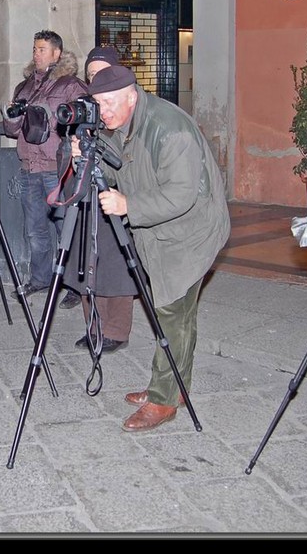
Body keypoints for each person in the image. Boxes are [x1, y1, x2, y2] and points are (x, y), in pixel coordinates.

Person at [82, 65, 230, 431]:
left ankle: (164, 400)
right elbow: (119, 169)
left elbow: (180, 195)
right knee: (177, 312)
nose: (104, 113)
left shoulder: (169, 129)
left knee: (172, 312)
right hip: (162, 234)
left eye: (109, 103)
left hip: (190, 234)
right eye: (97, 104)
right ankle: (174, 386)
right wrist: (88, 156)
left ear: (131, 96)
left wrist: (128, 205)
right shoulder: (124, 124)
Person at [2, 30, 86, 309]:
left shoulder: (70, 85)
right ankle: (41, 279)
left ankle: (75, 284)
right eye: (34, 49)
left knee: (67, 227)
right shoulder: (24, 86)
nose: (36, 54)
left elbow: (85, 118)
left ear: (56, 53)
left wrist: (55, 122)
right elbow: (12, 131)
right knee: (35, 229)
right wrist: (13, 116)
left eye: (41, 49)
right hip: (29, 167)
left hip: (56, 168)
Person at [68, 46, 138, 353]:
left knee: (116, 267)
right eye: (91, 73)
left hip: (116, 196)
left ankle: (116, 330)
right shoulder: (84, 107)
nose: (95, 78)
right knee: (86, 262)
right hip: (88, 197)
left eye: (101, 72)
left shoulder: (120, 108)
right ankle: (93, 326)